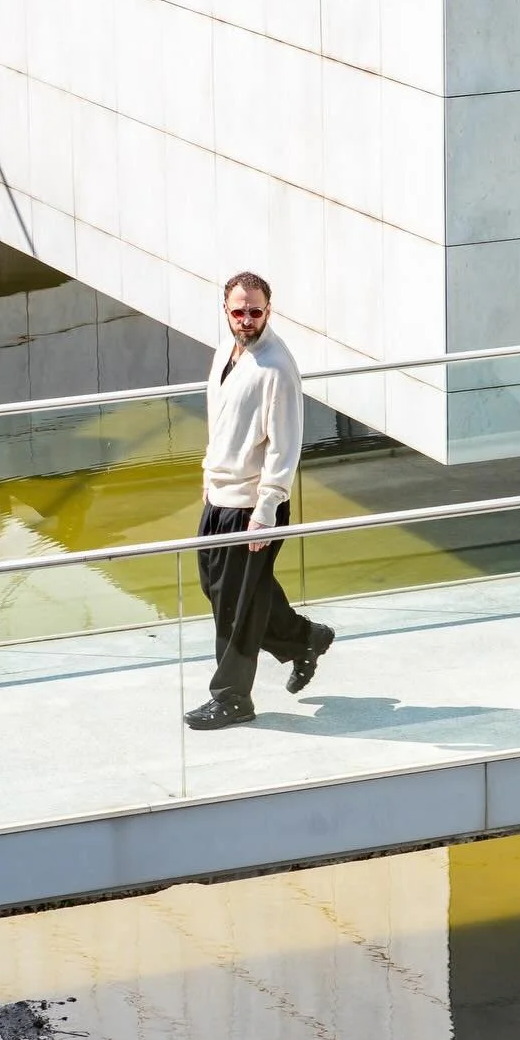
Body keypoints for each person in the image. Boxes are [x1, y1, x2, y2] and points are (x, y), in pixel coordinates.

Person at [185, 271, 335, 731]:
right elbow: (225, 425)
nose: (246, 319)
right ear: (225, 311)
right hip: (220, 495)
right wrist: (209, 478)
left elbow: (284, 447)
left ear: (269, 311)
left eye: (255, 311)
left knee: (235, 604)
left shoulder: (276, 368)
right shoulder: (226, 353)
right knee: (221, 589)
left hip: (252, 507)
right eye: (238, 311)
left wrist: (265, 513)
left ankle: (232, 697)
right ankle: (304, 638)